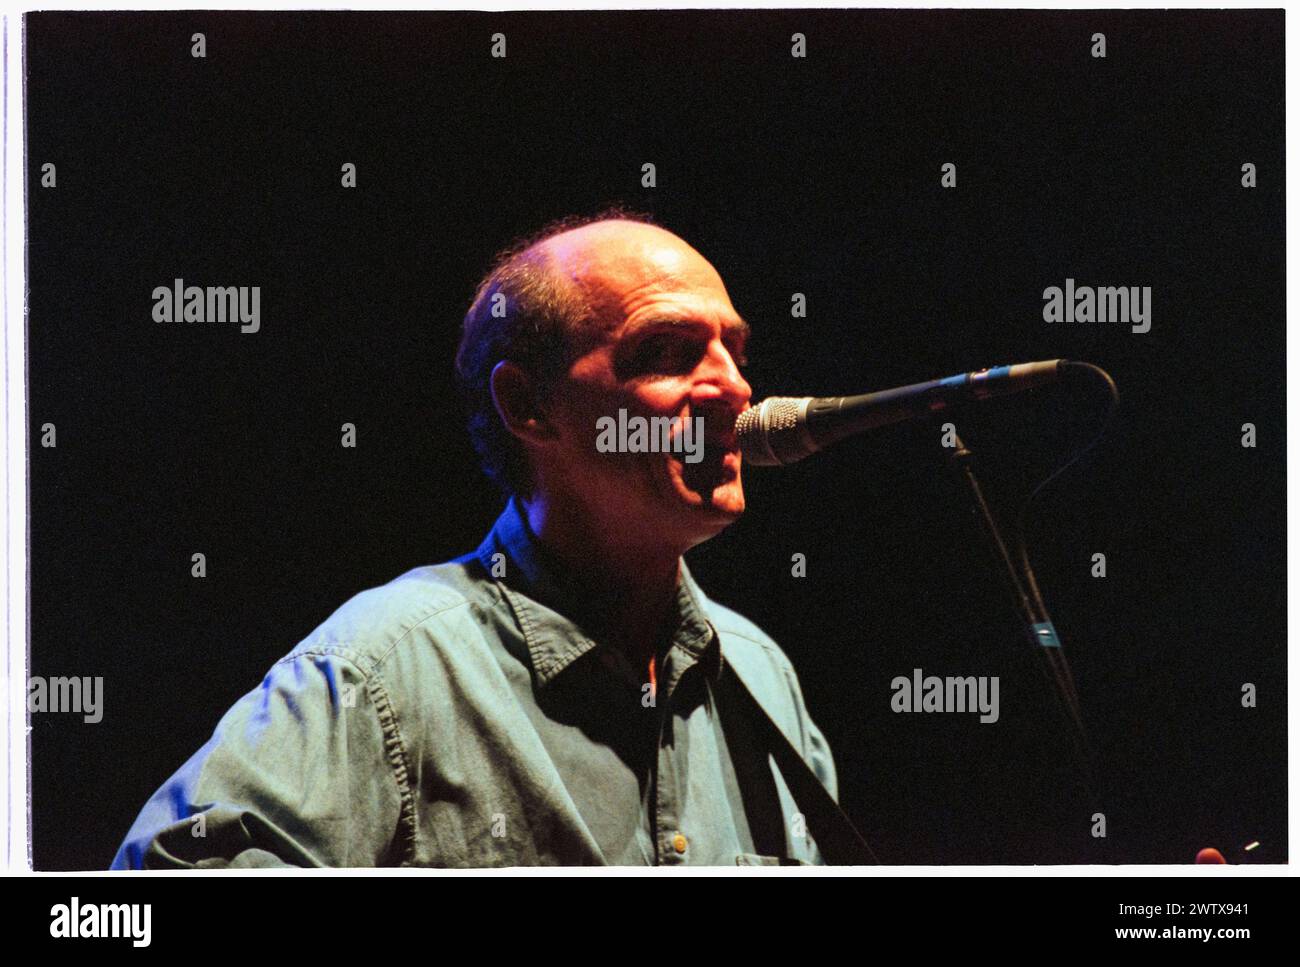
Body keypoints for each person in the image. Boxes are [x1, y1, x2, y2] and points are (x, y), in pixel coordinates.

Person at [111, 212, 841, 867]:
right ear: (528, 406)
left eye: (736, 353)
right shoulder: (382, 668)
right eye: (667, 351)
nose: (736, 388)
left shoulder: (760, 673)